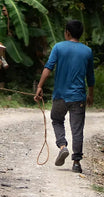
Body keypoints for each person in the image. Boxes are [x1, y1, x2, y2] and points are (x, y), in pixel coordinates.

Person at [34, 20, 95, 173]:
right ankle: (76, 163)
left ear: (67, 32)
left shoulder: (58, 47)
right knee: (77, 130)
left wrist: (40, 86)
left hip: (60, 95)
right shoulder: (87, 51)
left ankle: (62, 146)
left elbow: (48, 67)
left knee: (56, 120)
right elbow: (91, 77)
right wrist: (90, 95)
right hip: (78, 97)